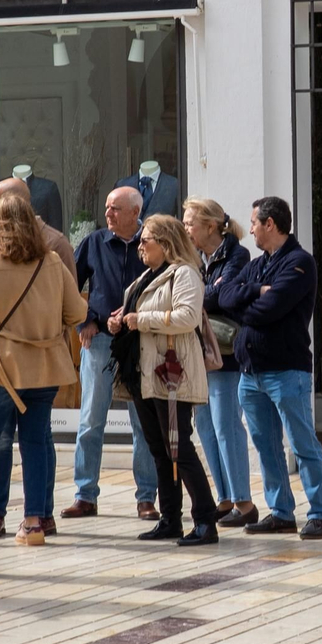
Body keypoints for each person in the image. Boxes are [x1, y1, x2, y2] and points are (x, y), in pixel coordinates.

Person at [0, 193, 85, 547]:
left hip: (0, 366)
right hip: (45, 366)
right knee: (34, 442)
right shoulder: (51, 261)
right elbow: (77, 313)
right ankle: (33, 522)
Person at [218, 196, 322, 539]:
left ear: (271, 224)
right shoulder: (256, 265)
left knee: (301, 444)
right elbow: (222, 298)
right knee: (266, 446)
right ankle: (281, 511)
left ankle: (320, 513)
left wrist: (244, 301)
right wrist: (254, 291)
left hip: (286, 371)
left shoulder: (300, 263)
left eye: (254, 222)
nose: (250, 228)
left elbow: (268, 310)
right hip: (251, 373)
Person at [109, 214, 219, 545]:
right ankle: (170, 518)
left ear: (166, 243)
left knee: (178, 448)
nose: (140, 245)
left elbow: (186, 316)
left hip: (171, 375)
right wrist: (119, 320)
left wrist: (141, 319)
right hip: (145, 375)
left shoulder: (185, 274)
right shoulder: (147, 276)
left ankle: (205, 521)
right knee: (159, 449)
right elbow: (132, 313)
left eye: (147, 239)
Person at [65, 187, 160, 520]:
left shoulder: (152, 242)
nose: (108, 214)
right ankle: (85, 495)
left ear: (136, 213)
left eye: (115, 209)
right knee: (91, 420)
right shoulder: (94, 242)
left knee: (143, 422)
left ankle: (146, 497)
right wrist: (86, 319)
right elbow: (68, 285)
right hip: (101, 342)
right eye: (107, 207)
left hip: (141, 341)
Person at [183, 196, 256, 527]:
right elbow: (197, 293)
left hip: (224, 354)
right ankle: (224, 499)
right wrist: (202, 293)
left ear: (210, 226)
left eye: (190, 223)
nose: (185, 229)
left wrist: (198, 295)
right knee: (207, 428)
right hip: (198, 352)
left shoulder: (236, 254)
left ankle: (245, 502)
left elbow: (221, 297)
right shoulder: (193, 256)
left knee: (227, 425)